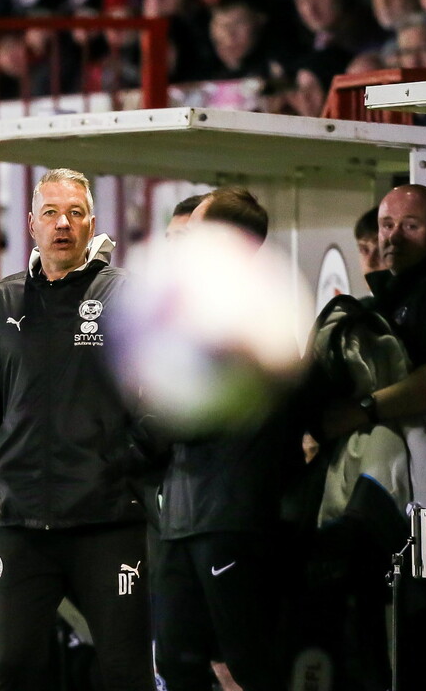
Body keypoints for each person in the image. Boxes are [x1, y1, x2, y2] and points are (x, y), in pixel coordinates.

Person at [0, 168, 153, 691]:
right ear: (31, 224)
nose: (62, 224)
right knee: (14, 667)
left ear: (91, 224)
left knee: (125, 672)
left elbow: (160, 394)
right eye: (50, 213)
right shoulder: (3, 300)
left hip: (108, 522)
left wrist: (124, 459)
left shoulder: (123, 296)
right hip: (24, 525)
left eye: (74, 213)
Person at [321, 183, 426, 689]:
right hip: (405, 483)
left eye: (410, 226)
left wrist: (362, 411)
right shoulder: (396, 289)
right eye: (387, 225)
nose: (393, 237)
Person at [151, 187, 302, 691]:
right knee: (176, 661)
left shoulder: (253, 310)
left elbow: (194, 411)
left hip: (230, 514)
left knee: (247, 662)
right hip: (181, 516)